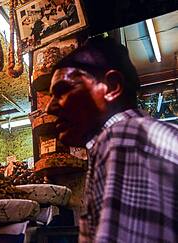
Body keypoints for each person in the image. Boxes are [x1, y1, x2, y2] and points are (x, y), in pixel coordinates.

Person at [45, 37, 178, 242]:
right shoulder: (138, 134)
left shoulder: (124, 137)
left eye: (63, 90)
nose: (49, 108)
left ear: (111, 86)